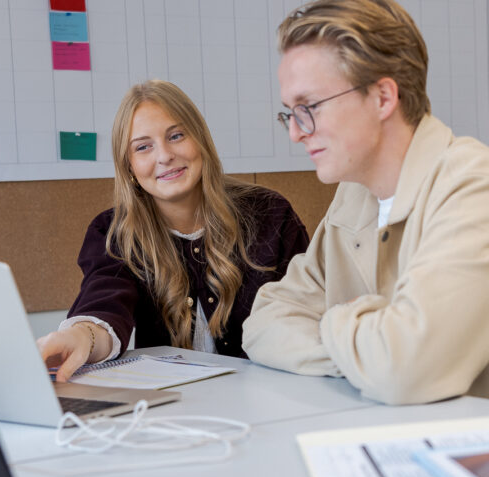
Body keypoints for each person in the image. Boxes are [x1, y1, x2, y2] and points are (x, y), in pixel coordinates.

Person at [242, 0, 489, 405]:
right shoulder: (354, 193)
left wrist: (336, 319)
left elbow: (404, 369)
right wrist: (368, 353)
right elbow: (264, 323)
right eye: (290, 111)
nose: (296, 133)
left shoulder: (472, 186)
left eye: (310, 107)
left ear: (382, 98)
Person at [38, 79, 309, 382]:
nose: (164, 156)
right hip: (172, 411)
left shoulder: (269, 214)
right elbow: (105, 302)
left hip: (275, 397)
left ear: (201, 140)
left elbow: (306, 308)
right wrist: (82, 337)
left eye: (176, 135)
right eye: (143, 147)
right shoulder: (113, 232)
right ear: (129, 166)